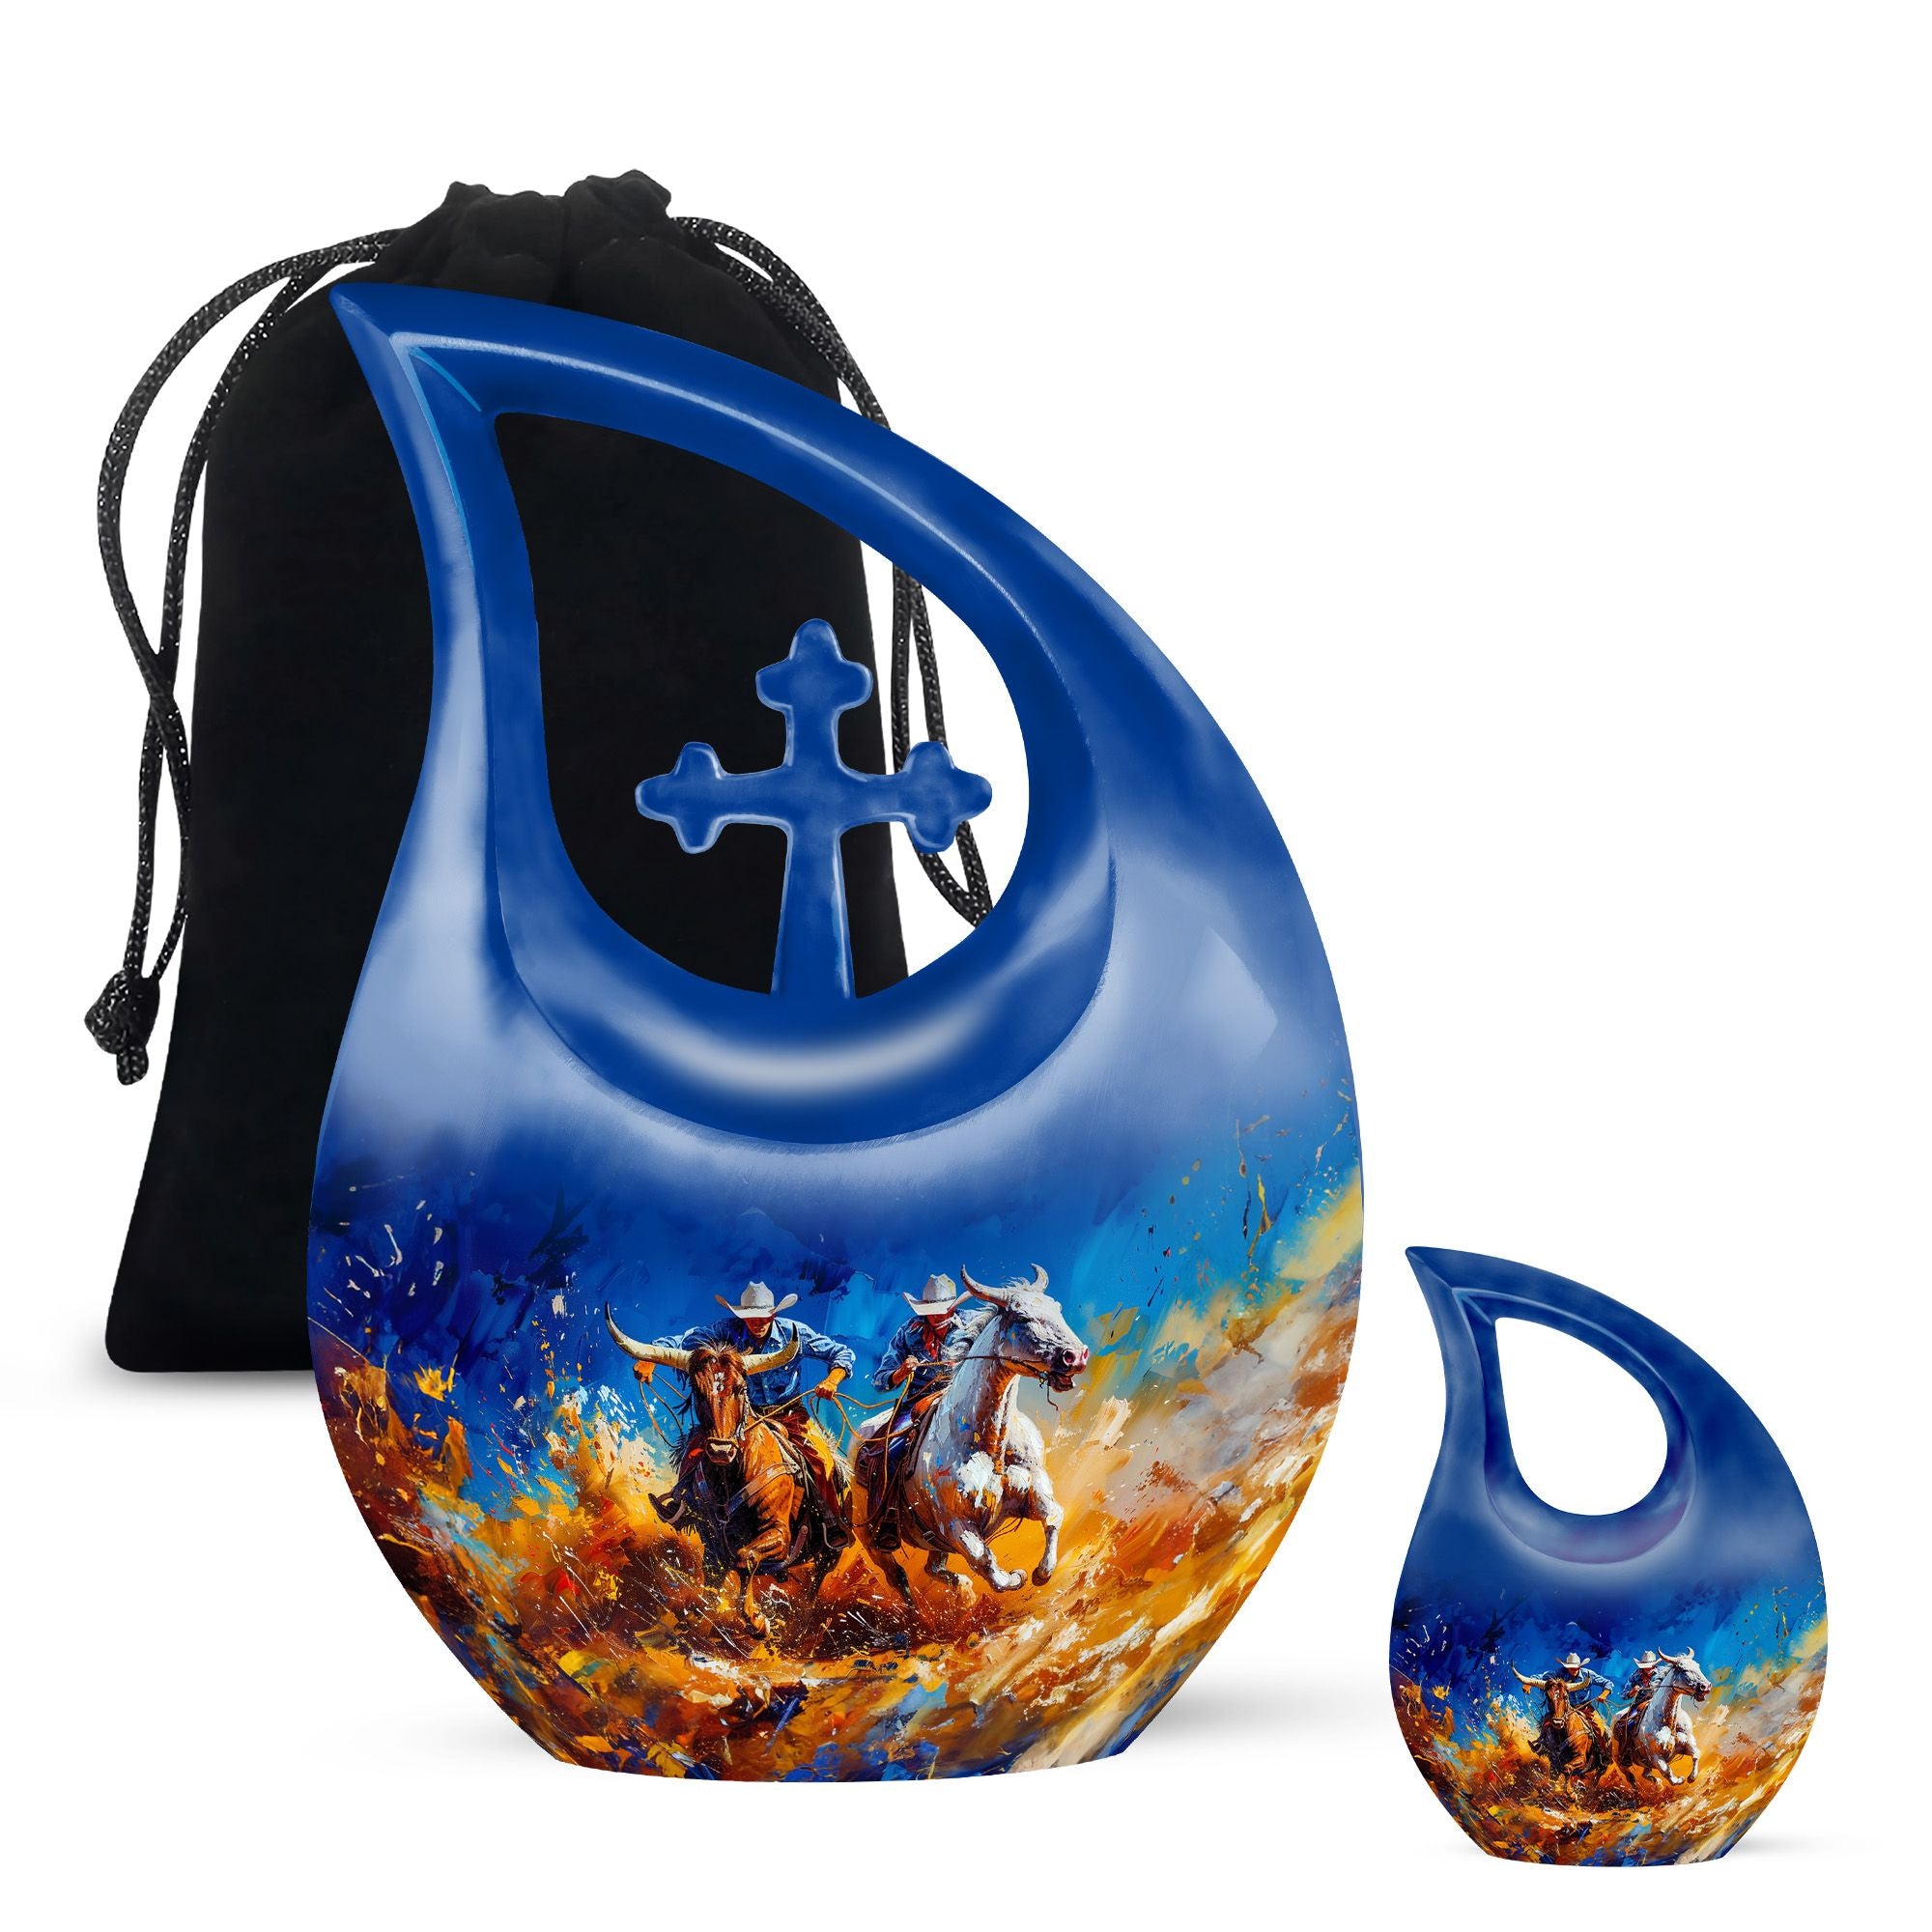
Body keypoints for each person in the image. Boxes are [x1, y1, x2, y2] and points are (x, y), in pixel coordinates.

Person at [635, 1280, 854, 1546]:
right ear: (741, 1316)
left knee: (820, 1458)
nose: (758, 1322)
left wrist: (832, 1380)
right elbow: (684, 1340)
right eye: (750, 1317)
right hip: (739, 1416)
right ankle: (681, 1502)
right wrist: (649, 1358)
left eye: (764, 1316)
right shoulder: (725, 1331)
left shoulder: (794, 1333)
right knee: (695, 1447)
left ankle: (832, 1521)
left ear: (774, 1314)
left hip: (788, 1415)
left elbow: (840, 1353)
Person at [863, 1273, 978, 1546]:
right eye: (931, 1311)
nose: (936, 1316)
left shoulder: (975, 1324)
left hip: (966, 1401)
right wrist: (901, 1372)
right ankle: (888, 1518)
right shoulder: (908, 1332)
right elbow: (880, 1380)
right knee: (888, 1451)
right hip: (918, 1404)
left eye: (942, 1309)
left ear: (953, 1307)